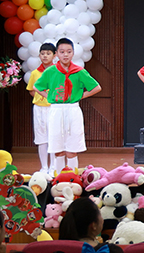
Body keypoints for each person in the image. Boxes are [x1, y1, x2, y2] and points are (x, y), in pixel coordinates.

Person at [33, 38, 101, 172]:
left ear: (73, 53)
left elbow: (96, 87)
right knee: (57, 148)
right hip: (56, 110)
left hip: (72, 109)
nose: (65, 55)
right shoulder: (50, 71)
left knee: (72, 148)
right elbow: (37, 87)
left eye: (69, 52)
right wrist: (50, 97)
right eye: (62, 52)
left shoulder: (79, 71)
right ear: (57, 54)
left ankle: (72, 178)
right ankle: (58, 178)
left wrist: (80, 96)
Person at [58, 197, 125, 253]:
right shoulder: (110, 252)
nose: (102, 219)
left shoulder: (58, 251)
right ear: (93, 225)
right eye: (100, 214)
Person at [25, 42, 55, 173]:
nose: (45, 56)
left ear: (54, 55)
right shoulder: (35, 73)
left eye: (48, 53)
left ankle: (53, 166)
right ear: (39, 56)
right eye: (42, 54)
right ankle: (44, 167)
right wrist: (40, 98)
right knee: (41, 137)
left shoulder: (58, 72)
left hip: (54, 108)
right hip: (39, 108)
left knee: (54, 136)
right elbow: (31, 90)